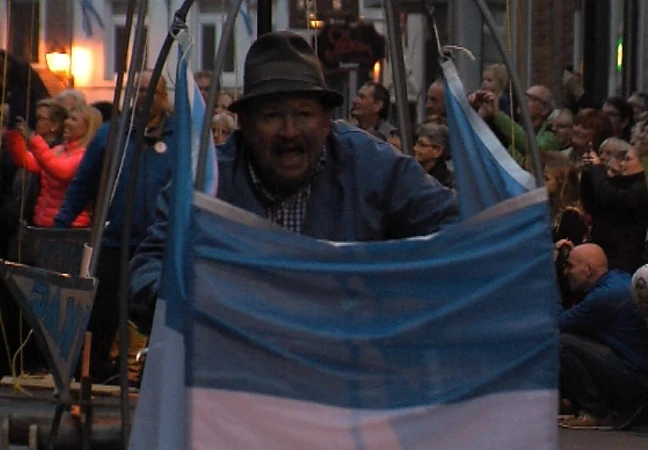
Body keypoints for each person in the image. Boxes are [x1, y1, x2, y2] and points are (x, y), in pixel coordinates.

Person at [128, 31, 458, 333]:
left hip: (347, 371)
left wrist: (380, 285)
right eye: (272, 115)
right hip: (242, 376)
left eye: (303, 114)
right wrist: (204, 294)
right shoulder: (206, 180)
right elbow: (147, 270)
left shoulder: (373, 167)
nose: (289, 131)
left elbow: (457, 225)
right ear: (244, 123)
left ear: (327, 120)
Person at [54, 70, 175, 382]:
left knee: (154, 316)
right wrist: (61, 224)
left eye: (152, 90)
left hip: (158, 243)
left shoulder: (177, 138)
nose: (145, 95)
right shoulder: (111, 135)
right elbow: (83, 183)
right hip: (114, 239)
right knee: (103, 314)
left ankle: (149, 379)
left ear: (164, 96)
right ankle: (91, 377)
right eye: (140, 89)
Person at [556, 242, 648, 430]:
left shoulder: (603, 297)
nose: (566, 272)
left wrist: (552, 278)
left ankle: (596, 412)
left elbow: (556, 325)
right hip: (641, 371)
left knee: (561, 343)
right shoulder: (617, 281)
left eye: (570, 266)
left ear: (588, 269)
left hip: (634, 376)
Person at [4, 105, 102, 227]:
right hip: (46, 224)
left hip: (70, 228)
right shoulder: (59, 149)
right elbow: (29, 163)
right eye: (68, 118)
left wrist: (33, 138)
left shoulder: (85, 155)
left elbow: (60, 170)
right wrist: (14, 136)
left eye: (73, 119)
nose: (66, 122)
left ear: (87, 127)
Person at [413, 122, 453, 188]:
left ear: (437, 151)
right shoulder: (411, 175)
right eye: (416, 143)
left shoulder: (448, 184)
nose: (415, 148)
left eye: (422, 145)